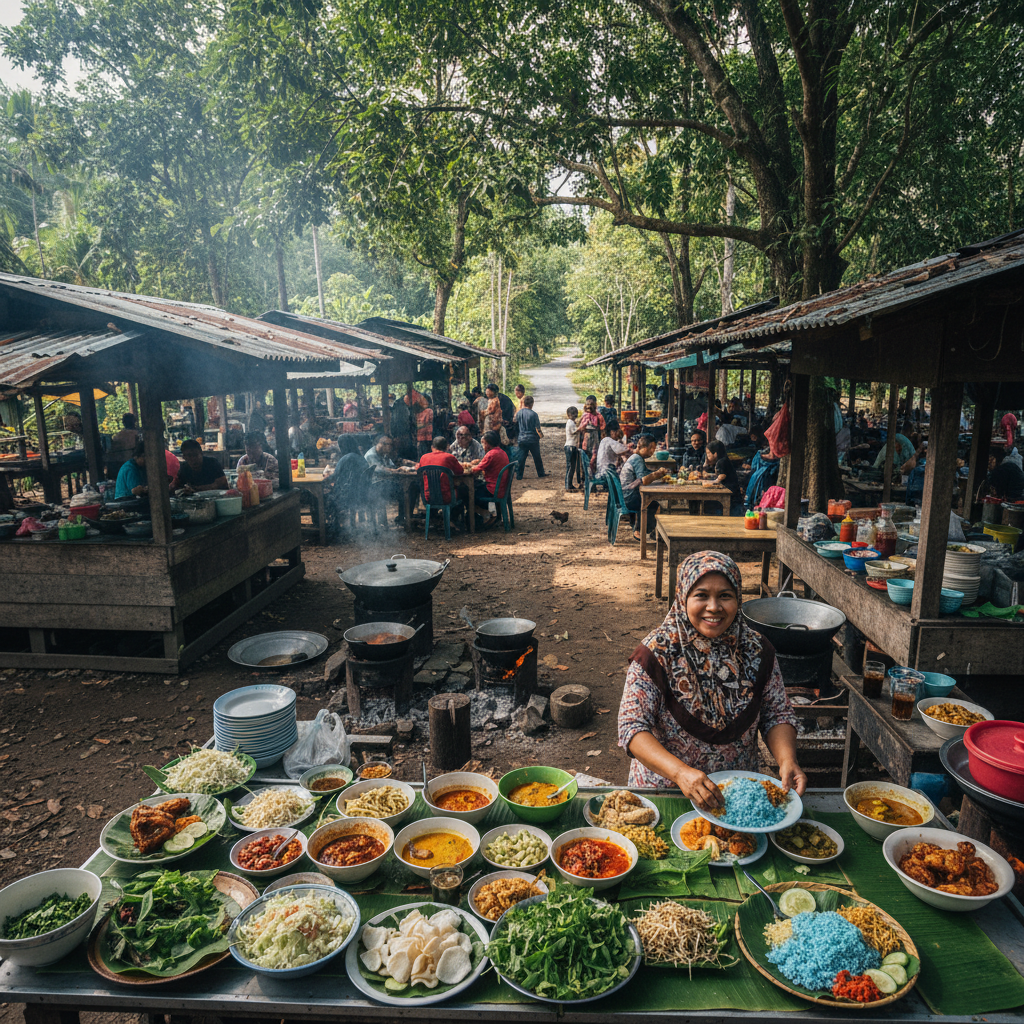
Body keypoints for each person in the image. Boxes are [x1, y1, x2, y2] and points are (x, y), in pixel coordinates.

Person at [618, 551, 805, 804]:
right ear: (683, 597)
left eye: (725, 596)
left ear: (738, 599)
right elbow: (632, 727)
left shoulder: (757, 650)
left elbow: (777, 714)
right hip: (666, 792)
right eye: (701, 596)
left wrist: (787, 760)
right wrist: (680, 773)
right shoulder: (656, 653)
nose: (714, 607)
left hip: (738, 796)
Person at [619, 433, 669, 541]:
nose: (652, 452)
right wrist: (658, 474)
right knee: (653, 504)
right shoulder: (637, 459)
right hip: (629, 497)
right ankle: (645, 531)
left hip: (626, 493)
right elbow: (644, 480)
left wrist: (656, 473)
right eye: (651, 448)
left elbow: (644, 474)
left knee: (650, 500)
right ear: (643, 447)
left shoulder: (635, 457)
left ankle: (641, 529)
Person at [468, 430, 510, 527]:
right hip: (501, 486)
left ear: (487, 444)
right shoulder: (501, 452)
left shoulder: (491, 454)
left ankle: (486, 514)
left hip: (493, 488)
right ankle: (494, 515)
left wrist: (468, 466)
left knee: (469, 494)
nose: (482, 446)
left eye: (483, 443)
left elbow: (475, 470)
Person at [418, 435, 469, 508]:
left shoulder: (423, 457)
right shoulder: (449, 457)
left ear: (432, 447)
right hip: (446, 497)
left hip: (428, 496)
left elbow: (419, 471)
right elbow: (460, 471)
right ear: (447, 447)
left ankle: (433, 515)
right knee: (464, 489)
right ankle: (459, 516)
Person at [700, 439, 745, 515]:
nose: (707, 456)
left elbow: (722, 476)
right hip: (734, 493)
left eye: (708, 454)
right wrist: (710, 475)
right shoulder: (724, 460)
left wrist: (712, 482)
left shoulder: (721, 462)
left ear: (715, 454)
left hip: (731, 493)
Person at [513, 395, 546, 480]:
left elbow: (515, 423)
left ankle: (519, 475)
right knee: (537, 457)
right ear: (532, 404)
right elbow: (537, 428)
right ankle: (541, 473)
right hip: (532, 439)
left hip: (522, 438)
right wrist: (541, 435)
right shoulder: (534, 414)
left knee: (521, 458)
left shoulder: (519, 413)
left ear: (524, 403)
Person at [106, 412, 141, 478]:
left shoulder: (118, 436)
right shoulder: (138, 434)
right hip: (137, 464)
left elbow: (111, 452)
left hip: (122, 464)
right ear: (134, 421)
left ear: (123, 423)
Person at [564, 406, 581, 493]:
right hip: (570, 446)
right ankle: (567, 485)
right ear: (568, 415)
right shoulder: (570, 423)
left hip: (572, 446)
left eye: (575, 415)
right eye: (572, 415)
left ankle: (570, 484)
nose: (574, 417)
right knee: (570, 467)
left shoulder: (572, 422)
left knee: (572, 467)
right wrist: (582, 426)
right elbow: (575, 431)